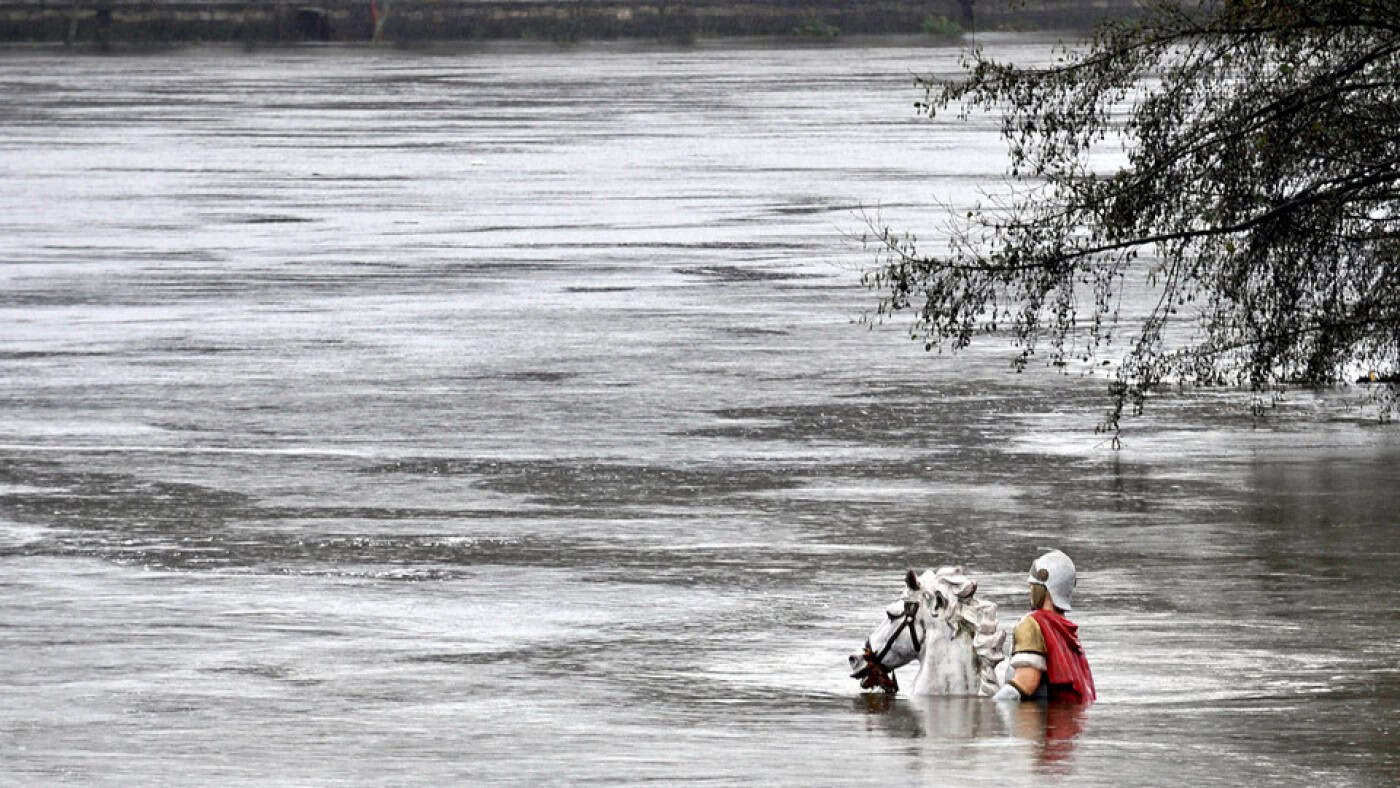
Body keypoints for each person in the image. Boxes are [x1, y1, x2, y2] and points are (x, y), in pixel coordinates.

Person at [992, 549, 1096, 703]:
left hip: (1040, 725)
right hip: (1069, 724)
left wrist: (985, 709)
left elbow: (1025, 683)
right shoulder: (1066, 632)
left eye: (1033, 584)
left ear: (1045, 589)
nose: (1029, 587)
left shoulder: (1031, 625)